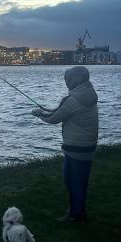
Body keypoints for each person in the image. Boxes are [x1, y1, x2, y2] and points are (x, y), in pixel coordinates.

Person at [31, 66, 98, 223]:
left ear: (76, 79)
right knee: (80, 181)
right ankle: (77, 210)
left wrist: (39, 114)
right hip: (88, 146)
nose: (66, 82)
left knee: (72, 181)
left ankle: (76, 215)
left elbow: (54, 118)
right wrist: (45, 110)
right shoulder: (88, 94)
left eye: (68, 80)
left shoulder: (72, 100)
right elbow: (60, 110)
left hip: (75, 148)